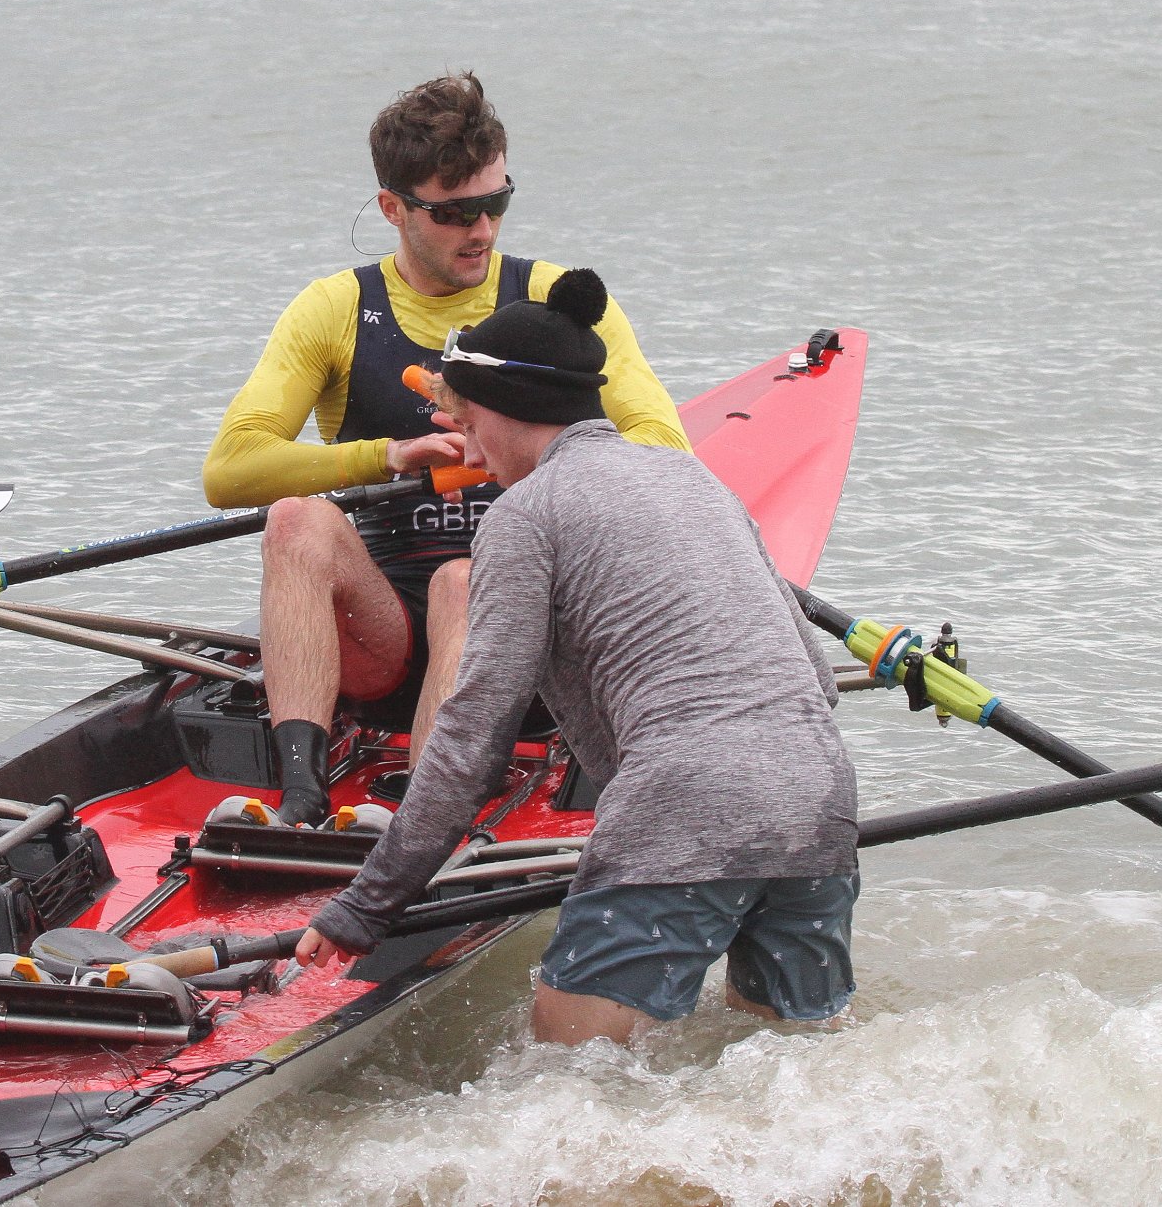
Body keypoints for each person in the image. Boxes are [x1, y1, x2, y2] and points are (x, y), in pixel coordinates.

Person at [296, 270, 859, 1044]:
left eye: (463, 415)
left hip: (686, 799)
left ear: (503, 408)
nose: (466, 442)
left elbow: (476, 733)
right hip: (818, 796)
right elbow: (818, 680)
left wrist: (368, 904)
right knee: (787, 1064)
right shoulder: (692, 477)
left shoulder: (525, 515)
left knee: (567, 1069)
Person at [201, 71, 690, 827]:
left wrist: (516, 448)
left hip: (526, 642)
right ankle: (299, 791)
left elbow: (662, 447)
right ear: (393, 208)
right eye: (456, 211)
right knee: (296, 521)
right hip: (385, 636)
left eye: (496, 202)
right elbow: (230, 468)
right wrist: (387, 456)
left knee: (466, 577)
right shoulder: (335, 309)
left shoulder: (552, 301)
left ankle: (425, 819)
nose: (484, 230)